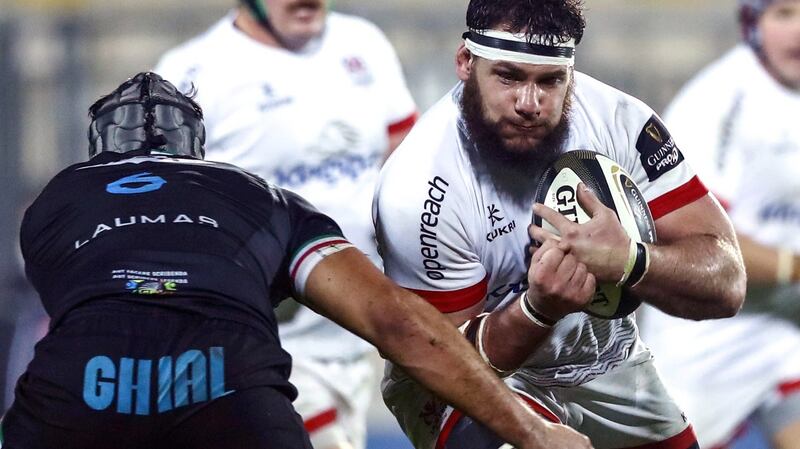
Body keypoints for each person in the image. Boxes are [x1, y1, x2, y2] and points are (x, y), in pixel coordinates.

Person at [0, 72, 594, 449]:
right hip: (229, 389)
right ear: (197, 147)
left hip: (80, 391)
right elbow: (394, 323)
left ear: (100, 147)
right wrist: (533, 432)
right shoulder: (258, 196)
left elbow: (112, 303)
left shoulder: (55, 200)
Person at [372, 1, 748, 448]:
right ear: (466, 62)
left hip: (603, 356)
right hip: (468, 378)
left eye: (550, 81)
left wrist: (631, 261)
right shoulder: (420, 186)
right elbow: (442, 362)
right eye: (508, 77)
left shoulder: (620, 121)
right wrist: (538, 309)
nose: (528, 104)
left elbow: (727, 284)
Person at [153, 2, 417, 447]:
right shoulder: (190, 73)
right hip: (263, 347)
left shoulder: (364, 43)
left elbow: (406, 157)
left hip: (362, 333)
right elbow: (159, 215)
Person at [638, 1, 800, 448]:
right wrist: (792, 267)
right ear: (753, 23)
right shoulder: (717, 100)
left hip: (785, 326)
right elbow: (699, 238)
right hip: (706, 334)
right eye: (784, 14)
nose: (799, 30)